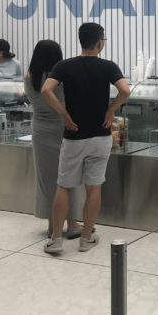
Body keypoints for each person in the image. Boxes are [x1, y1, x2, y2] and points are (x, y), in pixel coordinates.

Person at [41, 23, 130, 254]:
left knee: (64, 186)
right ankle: (86, 238)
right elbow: (125, 90)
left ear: (81, 40)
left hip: (74, 136)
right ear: (100, 42)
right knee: (94, 187)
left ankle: (56, 239)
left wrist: (64, 114)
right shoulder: (108, 66)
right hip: (101, 136)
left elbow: (46, 90)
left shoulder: (64, 66)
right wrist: (111, 110)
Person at [24, 40, 82, 239]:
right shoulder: (60, 79)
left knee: (47, 179)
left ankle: (52, 225)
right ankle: (72, 224)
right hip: (63, 127)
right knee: (69, 175)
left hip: (40, 129)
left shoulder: (29, 76)